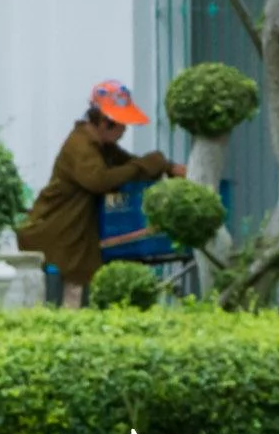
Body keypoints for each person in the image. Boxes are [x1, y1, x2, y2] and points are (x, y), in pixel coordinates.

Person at [17, 77, 174, 303]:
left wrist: (166, 166)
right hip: (55, 231)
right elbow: (99, 180)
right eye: (121, 124)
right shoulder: (80, 146)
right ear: (104, 121)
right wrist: (149, 163)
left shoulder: (103, 146)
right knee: (65, 296)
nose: (124, 131)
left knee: (78, 290)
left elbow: (131, 165)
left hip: (77, 234)